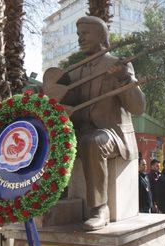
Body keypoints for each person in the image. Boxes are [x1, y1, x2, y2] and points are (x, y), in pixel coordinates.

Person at [53, 16, 146, 231]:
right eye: (78, 34)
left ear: (101, 35)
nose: (80, 38)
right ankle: (59, 199)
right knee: (49, 137)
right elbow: (64, 106)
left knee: (93, 142)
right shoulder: (73, 71)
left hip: (111, 133)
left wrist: (124, 79)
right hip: (79, 130)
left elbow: (138, 108)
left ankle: (100, 208)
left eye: (85, 33)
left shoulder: (117, 64)